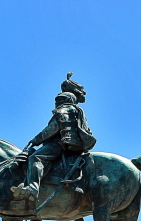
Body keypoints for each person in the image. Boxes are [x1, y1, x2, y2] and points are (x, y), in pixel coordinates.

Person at [11, 73, 96, 202]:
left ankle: (33, 188)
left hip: (60, 145)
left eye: (59, 100)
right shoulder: (77, 112)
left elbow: (51, 130)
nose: (57, 103)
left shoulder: (64, 111)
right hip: (74, 145)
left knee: (35, 157)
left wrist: (35, 140)